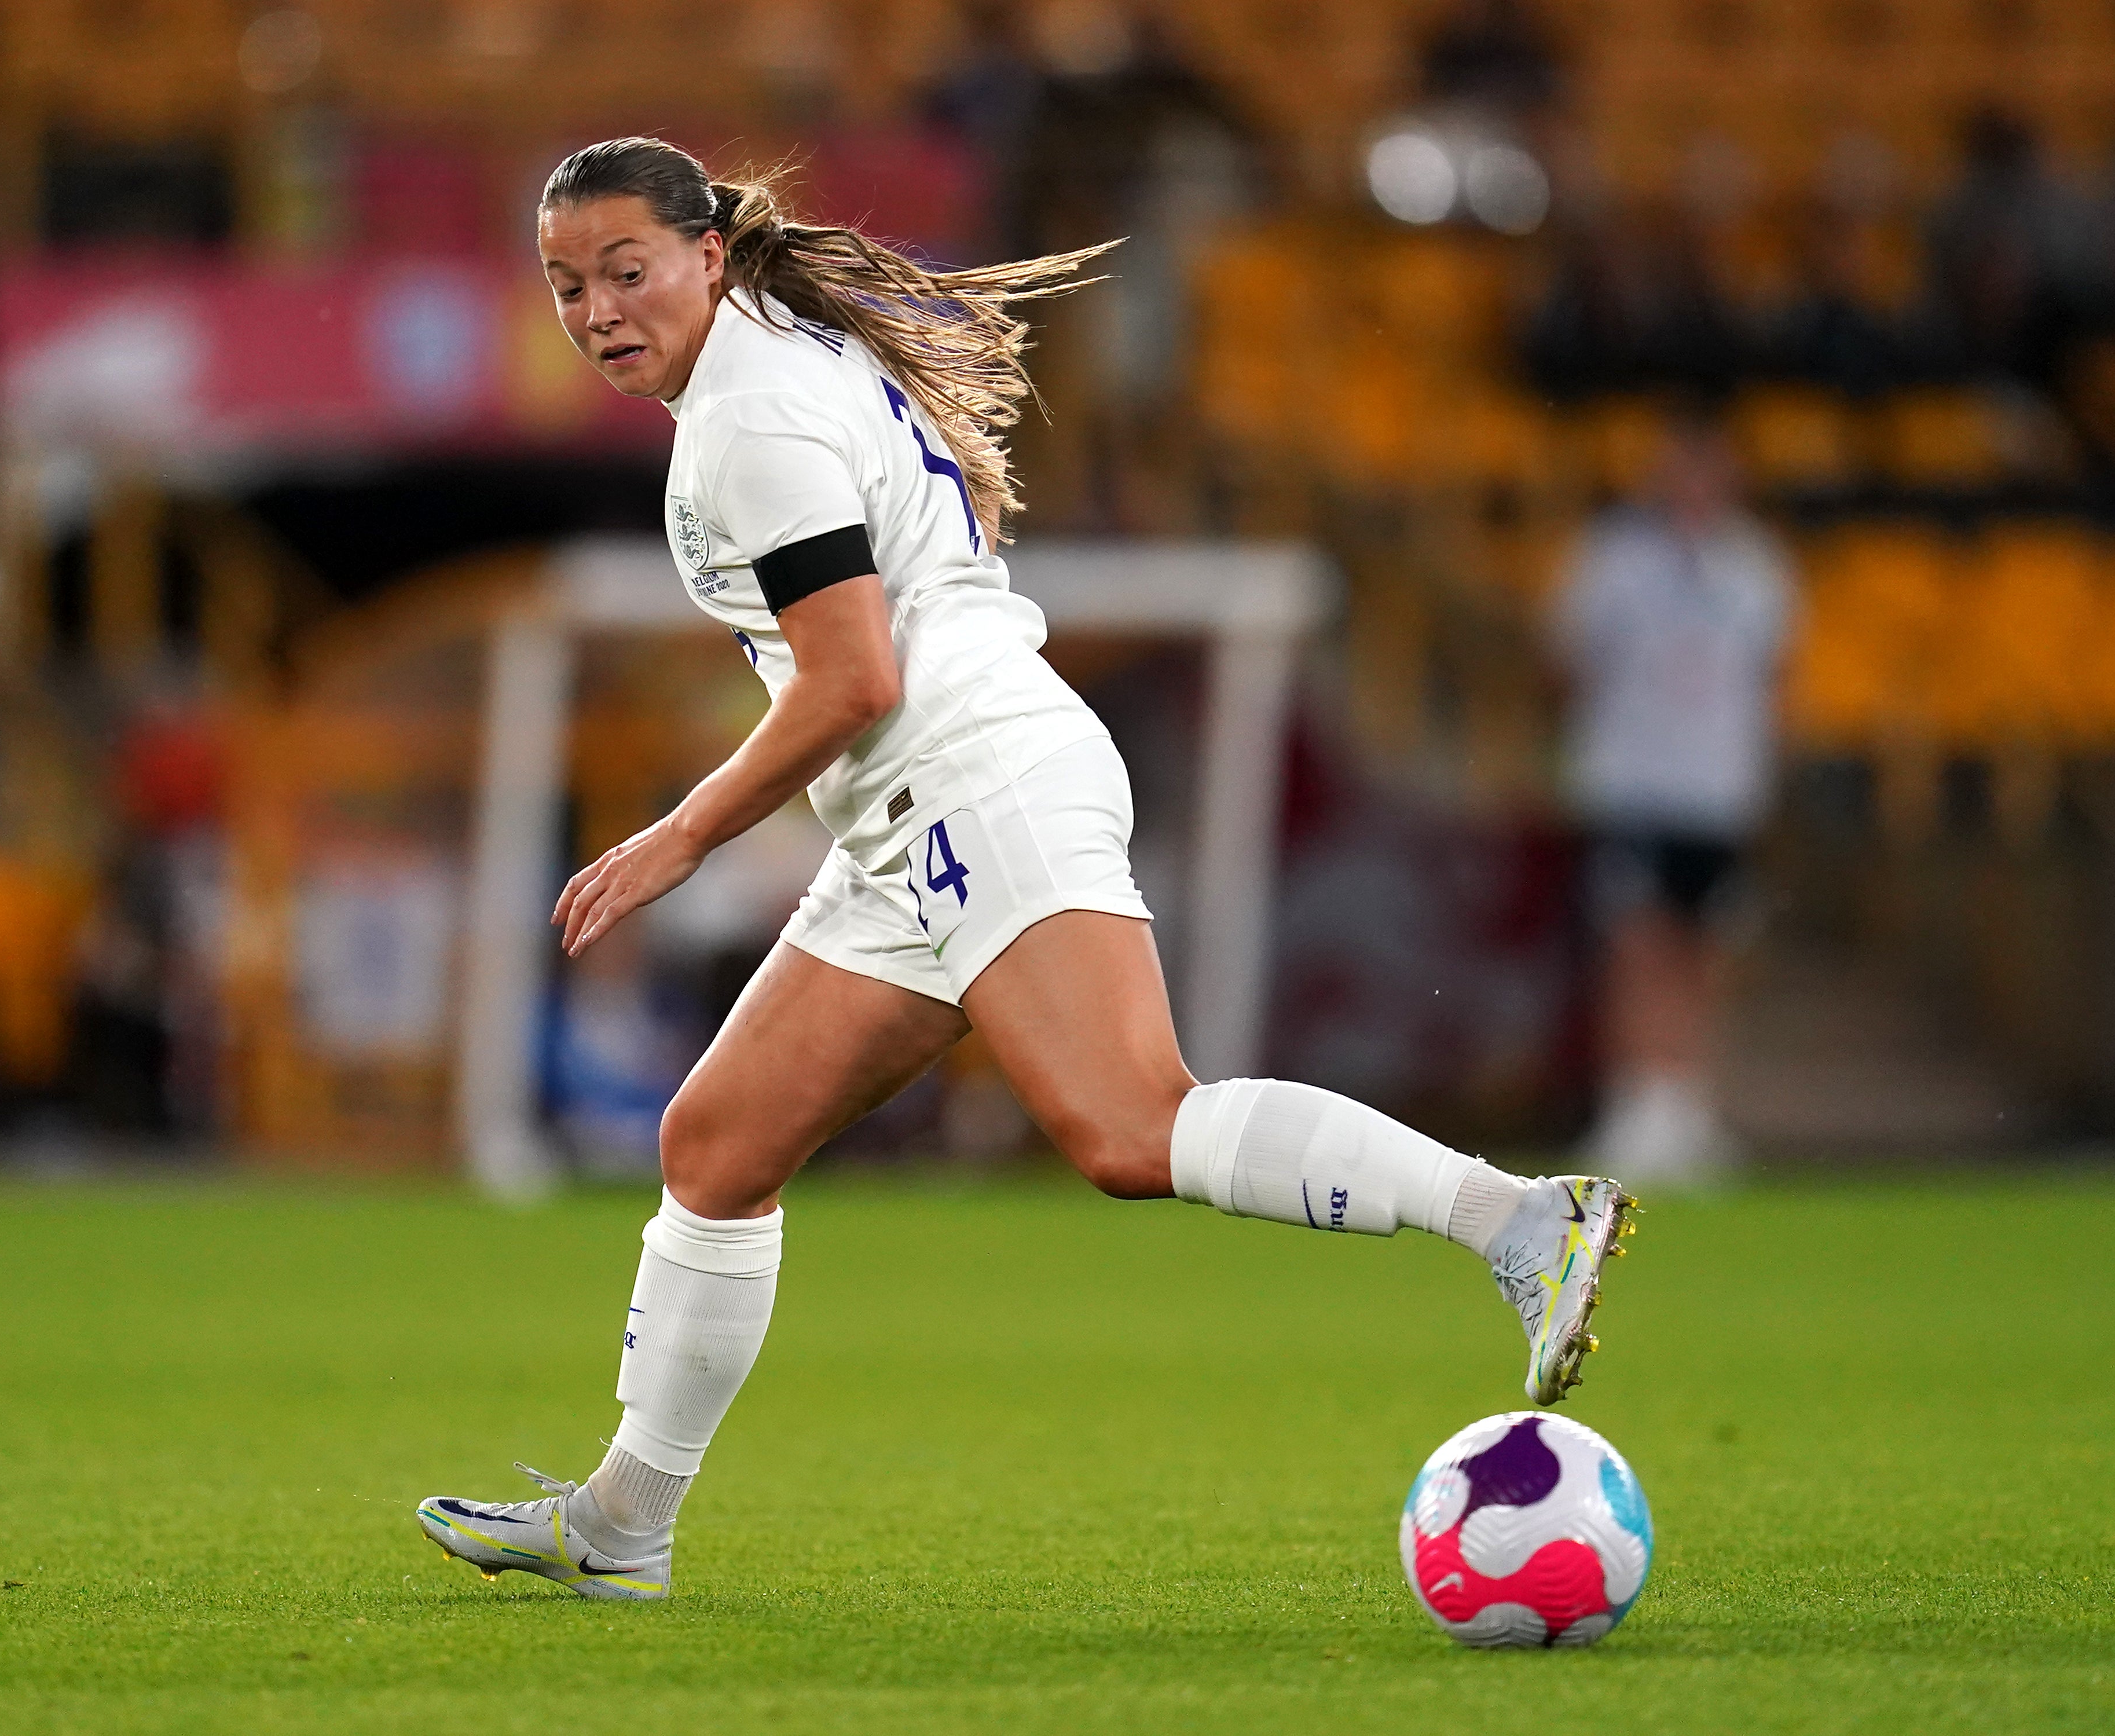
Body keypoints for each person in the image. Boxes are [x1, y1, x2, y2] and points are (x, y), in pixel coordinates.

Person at [417, 137, 1636, 1602]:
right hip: (913, 807)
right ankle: (624, 1520)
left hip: (968, 774)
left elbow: (853, 676)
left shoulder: (749, 419)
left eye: (626, 270)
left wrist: (680, 832)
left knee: (1130, 1127)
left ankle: (1513, 1217)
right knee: (715, 1147)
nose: (600, 309)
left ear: (709, 256)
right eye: (565, 287)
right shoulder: (774, 358)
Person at [1551, 412, 1793, 1184]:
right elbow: (1568, 660)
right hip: (1635, 780)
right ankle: (1634, 1102)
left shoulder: (1754, 569)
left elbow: (1775, 676)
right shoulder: (1615, 562)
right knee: (1635, 942)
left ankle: (1686, 1103)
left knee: (1701, 949)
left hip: (1714, 789)